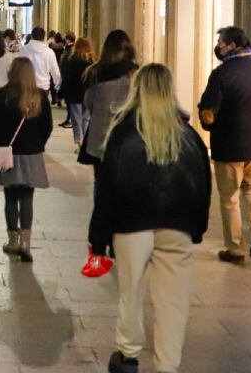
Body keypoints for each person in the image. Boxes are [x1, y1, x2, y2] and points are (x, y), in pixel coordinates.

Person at [90, 64, 211, 373]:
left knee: (130, 292)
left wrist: (99, 237)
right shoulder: (187, 135)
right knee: (174, 301)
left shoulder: (123, 131)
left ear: (137, 89)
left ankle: (128, 354)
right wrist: (196, 229)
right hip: (177, 227)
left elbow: (107, 188)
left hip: (132, 225)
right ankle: (167, 364)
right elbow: (202, 184)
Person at [198, 26, 251, 263]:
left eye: (221, 43)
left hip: (230, 145)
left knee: (230, 197)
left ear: (232, 45)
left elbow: (208, 111)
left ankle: (235, 248)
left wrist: (207, 123)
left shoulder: (222, 73)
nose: (218, 48)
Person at [0, 57, 53, 263]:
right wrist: (38, 143)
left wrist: (2, 140)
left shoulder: (1, 95)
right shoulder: (40, 96)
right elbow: (48, 126)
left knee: (10, 197)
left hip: (9, 153)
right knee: (27, 198)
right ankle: (26, 243)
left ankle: (13, 240)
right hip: (31, 154)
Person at [80, 30, 138, 166]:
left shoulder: (94, 71)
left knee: (102, 177)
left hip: (100, 133)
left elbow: (88, 102)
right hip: (129, 134)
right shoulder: (136, 73)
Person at [59, 37, 95, 151]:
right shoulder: (92, 61)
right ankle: (86, 142)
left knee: (76, 119)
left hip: (74, 95)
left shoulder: (72, 60)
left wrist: (61, 93)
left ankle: (79, 141)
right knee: (86, 119)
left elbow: (67, 79)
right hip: (88, 94)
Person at [18, 26, 60, 94]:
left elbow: (18, 68)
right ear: (44, 37)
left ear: (32, 36)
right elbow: (55, 71)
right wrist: (58, 87)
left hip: (27, 86)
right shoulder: (49, 52)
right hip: (43, 87)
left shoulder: (23, 50)